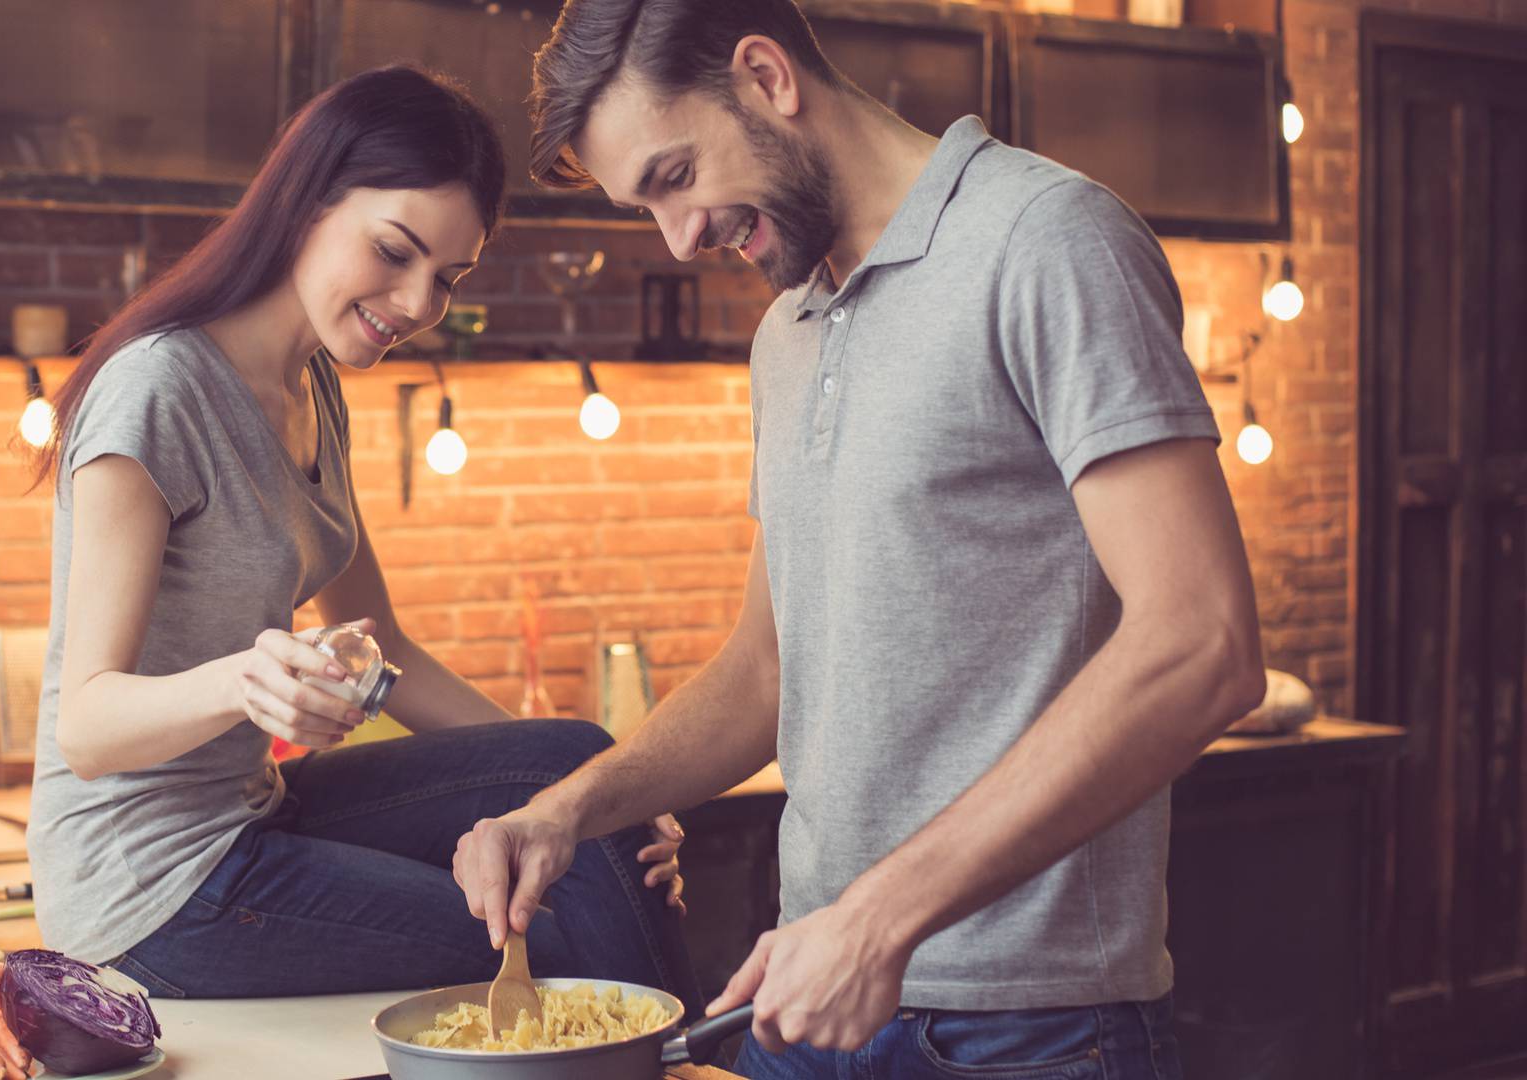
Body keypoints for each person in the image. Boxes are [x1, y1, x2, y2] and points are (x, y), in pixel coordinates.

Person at [451, 2, 1265, 1075]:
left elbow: (1203, 644)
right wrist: (565, 811)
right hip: (807, 1000)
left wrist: (879, 922)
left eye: (675, 177)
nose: (679, 237)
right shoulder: (785, 330)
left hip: (1029, 1027)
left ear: (766, 76)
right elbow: (764, 673)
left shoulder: (1045, 242)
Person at [24, 64, 695, 1009]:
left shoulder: (314, 388)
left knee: (571, 757)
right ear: (305, 204)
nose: (421, 303)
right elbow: (86, 728)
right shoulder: (158, 390)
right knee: (551, 933)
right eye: (394, 250)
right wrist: (242, 681)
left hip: (256, 816)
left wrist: (604, 798)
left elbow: (387, 648)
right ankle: (680, 1060)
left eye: (447, 276)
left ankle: (679, 1054)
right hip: (151, 890)